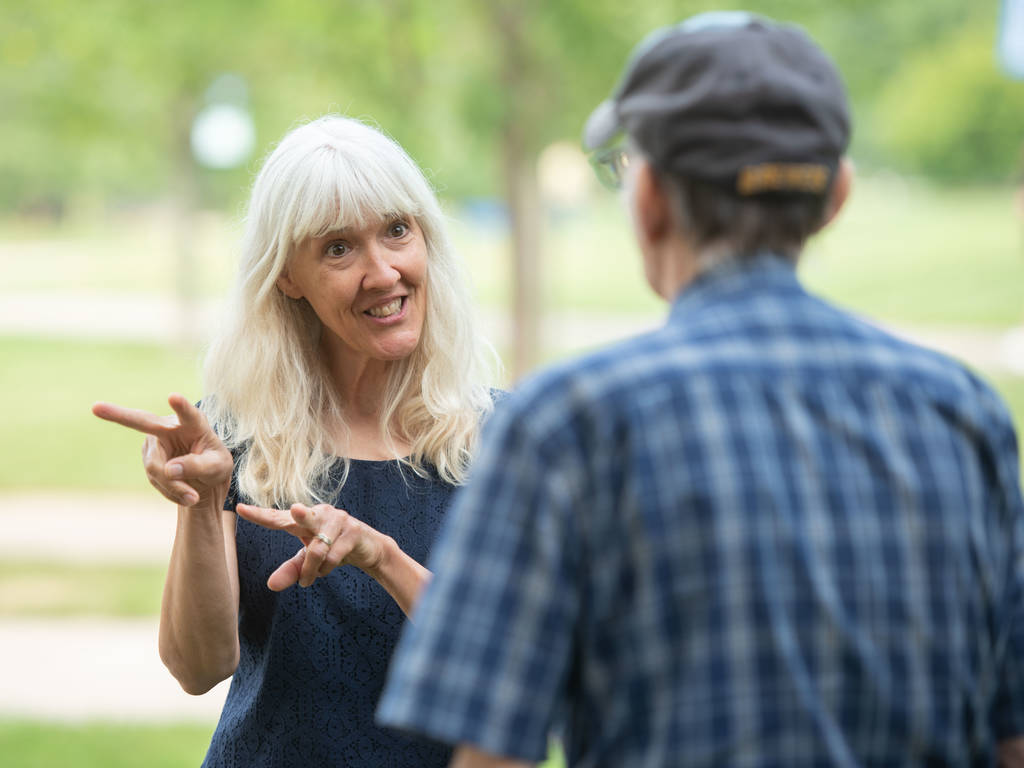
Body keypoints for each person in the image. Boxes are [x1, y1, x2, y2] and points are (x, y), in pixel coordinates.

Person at [376, 12, 1024, 768]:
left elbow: (492, 754)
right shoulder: (964, 414)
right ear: (835, 198)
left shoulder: (567, 425)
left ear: (648, 200)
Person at [92, 115, 496, 767]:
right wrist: (203, 503)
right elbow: (198, 669)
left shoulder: (502, 441)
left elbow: (505, 661)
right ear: (288, 276)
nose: (383, 271)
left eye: (397, 230)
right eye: (338, 248)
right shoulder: (229, 440)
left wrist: (379, 556)